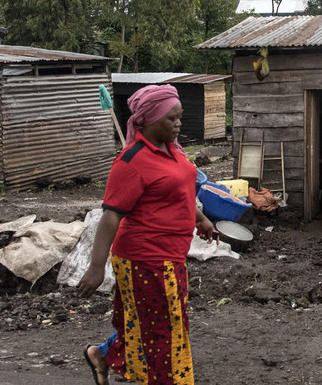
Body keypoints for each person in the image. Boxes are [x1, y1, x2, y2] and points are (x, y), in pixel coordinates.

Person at [78, 84, 218, 385]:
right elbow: (111, 215)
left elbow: (180, 190)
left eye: (180, 116)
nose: (178, 123)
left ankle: (102, 355)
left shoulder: (174, 150)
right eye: (172, 118)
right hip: (144, 258)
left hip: (171, 254)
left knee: (148, 322)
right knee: (166, 331)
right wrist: (95, 268)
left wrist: (201, 218)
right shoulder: (132, 162)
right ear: (150, 119)